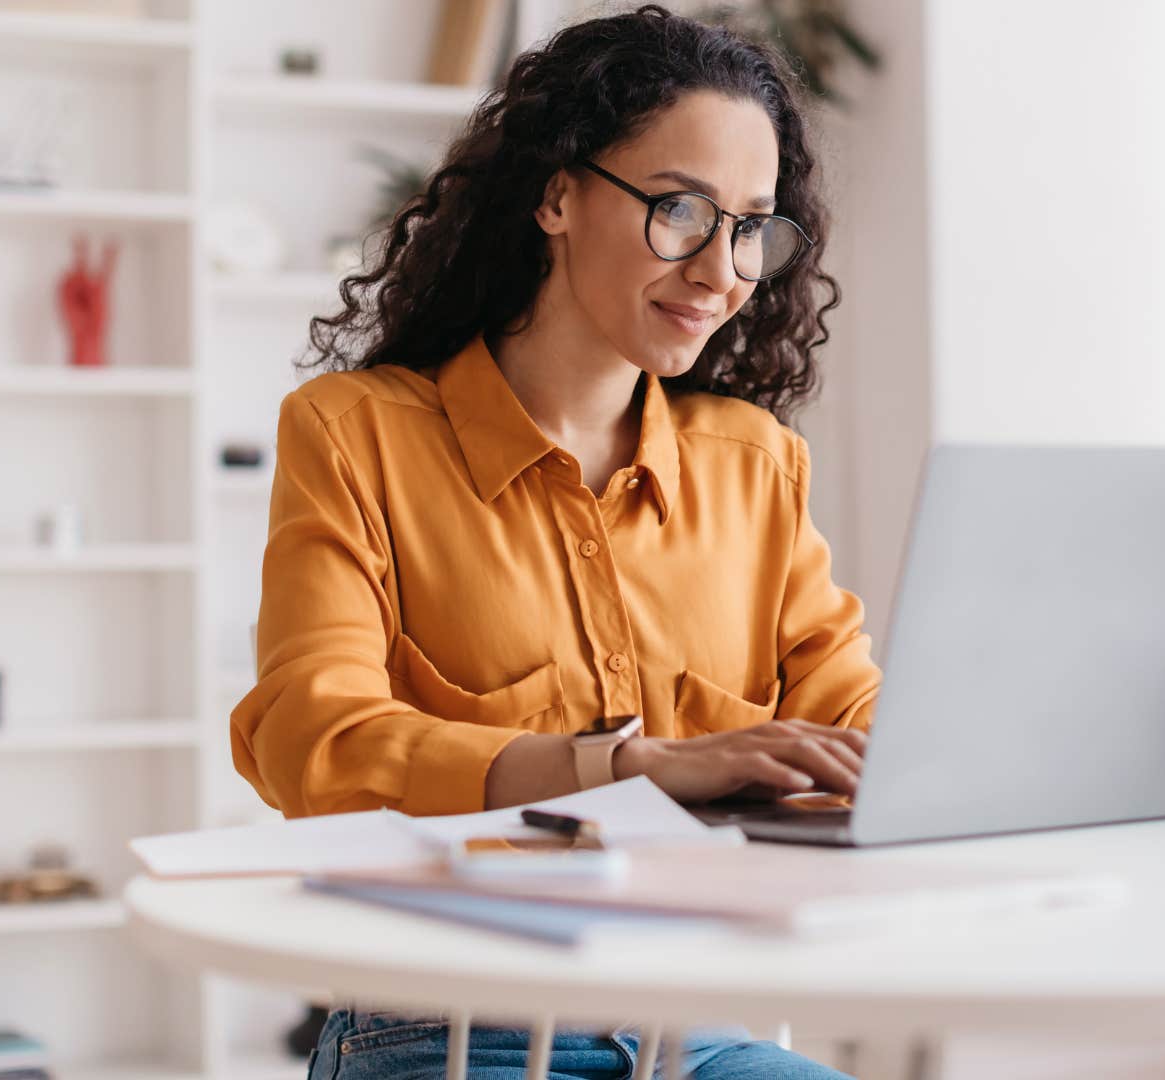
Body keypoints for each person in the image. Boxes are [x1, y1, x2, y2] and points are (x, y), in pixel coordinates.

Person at [229, 5, 878, 1077]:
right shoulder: (355, 436)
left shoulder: (754, 465)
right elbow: (316, 741)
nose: (721, 271)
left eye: (751, 228)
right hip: (440, 1029)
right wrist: (627, 768)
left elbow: (851, 724)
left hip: (697, 1025)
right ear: (557, 195)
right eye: (680, 210)